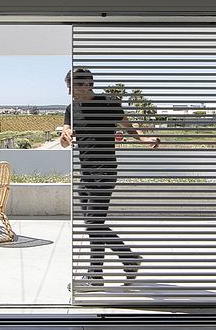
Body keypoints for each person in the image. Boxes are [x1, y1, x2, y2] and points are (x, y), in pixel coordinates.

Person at [60, 67, 160, 285]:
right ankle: (100, 273)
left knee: (94, 223)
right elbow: (65, 138)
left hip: (104, 171)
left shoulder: (108, 103)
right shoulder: (71, 108)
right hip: (85, 174)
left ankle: (124, 260)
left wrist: (144, 140)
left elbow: (130, 128)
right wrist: (65, 136)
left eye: (87, 84)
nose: (83, 88)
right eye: (77, 84)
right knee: (91, 224)